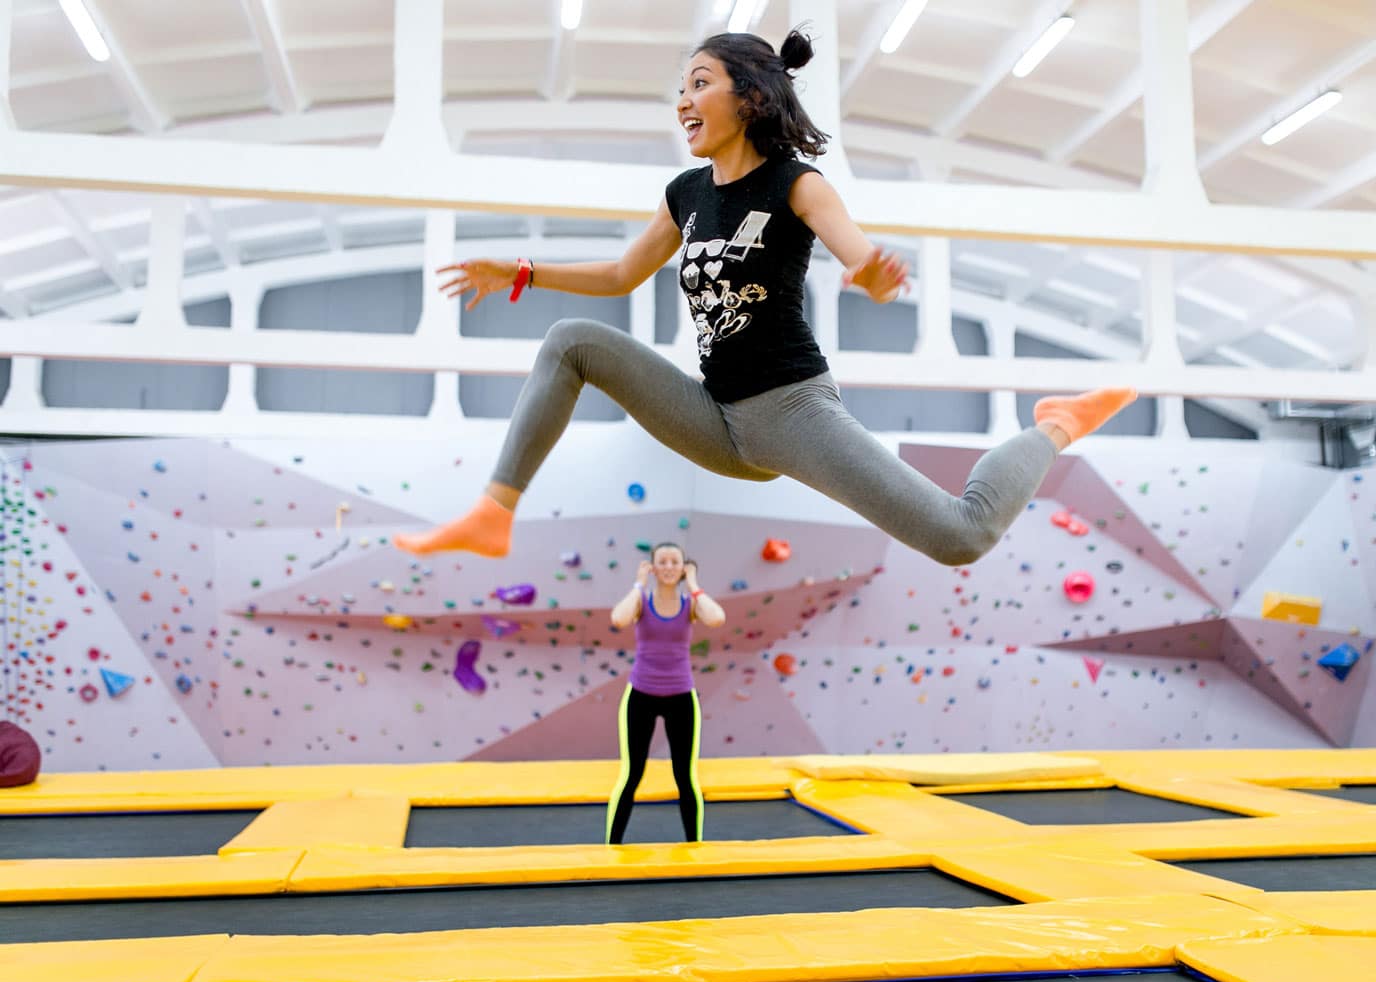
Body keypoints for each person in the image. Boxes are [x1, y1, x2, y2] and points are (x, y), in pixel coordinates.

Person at [394, 28, 1136, 567]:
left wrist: (872, 275)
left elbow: (853, 248)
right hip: (715, 418)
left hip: (791, 410)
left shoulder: (796, 183)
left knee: (959, 536)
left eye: (699, 83)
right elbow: (623, 274)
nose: (683, 101)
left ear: (748, 97)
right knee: (571, 340)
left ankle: (1055, 426)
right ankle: (495, 512)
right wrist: (521, 270)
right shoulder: (685, 193)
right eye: (680, 89)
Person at [605, 543, 724, 844]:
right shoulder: (641, 602)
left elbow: (717, 618)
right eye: (663, 561)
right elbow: (618, 619)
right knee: (632, 775)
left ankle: (694, 848)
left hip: (681, 697)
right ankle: (611, 849)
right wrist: (638, 583)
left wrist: (694, 583)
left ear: (683, 568)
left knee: (685, 777)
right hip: (641, 695)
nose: (669, 566)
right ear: (654, 567)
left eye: (675, 562)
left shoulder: (691, 603)